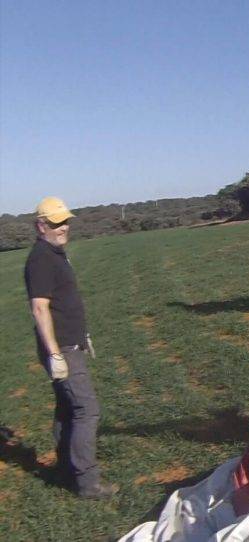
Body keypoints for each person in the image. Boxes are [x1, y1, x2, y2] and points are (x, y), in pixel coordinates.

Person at [24, 197, 118, 498]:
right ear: (41, 225)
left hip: (68, 343)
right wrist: (54, 353)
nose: (62, 227)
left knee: (67, 408)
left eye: (65, 221)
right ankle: (87, 482)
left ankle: (65, 470)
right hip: (61, 348)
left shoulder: (55, 253)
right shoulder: (41, 258)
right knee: (86, 410)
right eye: (54, 223)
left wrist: (81, 336)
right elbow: (39, 308)